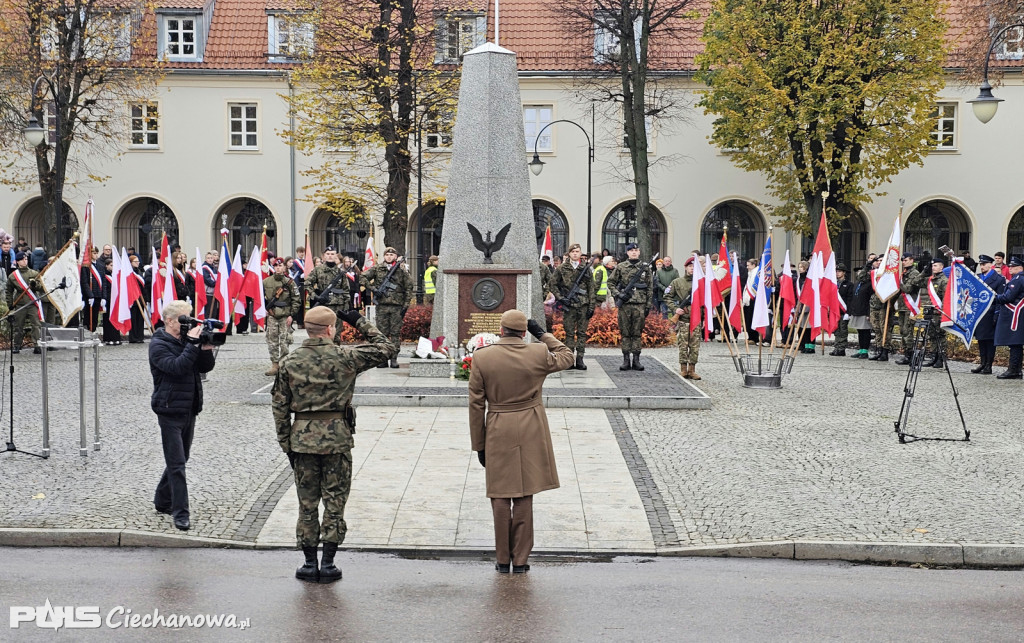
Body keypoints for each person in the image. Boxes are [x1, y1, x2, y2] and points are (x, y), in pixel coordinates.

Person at [272, 305, 397, 583]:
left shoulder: (289, 361)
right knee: (335, 500)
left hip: (302, 441)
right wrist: (359, 321)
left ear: (307, 329)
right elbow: (387, 348)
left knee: (307, 503)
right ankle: (328, 564)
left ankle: (309, 564)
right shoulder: (346, 356)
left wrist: (286, 444)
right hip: (337, 440)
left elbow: (279, 407)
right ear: (330, 329)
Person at [468, 309, 574, 574]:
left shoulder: (482, 357)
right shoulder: (537, 352)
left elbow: (476, 404)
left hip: (498, 426)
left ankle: (503, 559)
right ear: (524, 332)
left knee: (500, 494)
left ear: (501, 330)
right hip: (531, 426)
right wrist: (543, 334)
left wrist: (479, 444)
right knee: (525, 493)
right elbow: (567, 356)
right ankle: (521, 560)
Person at [149, 300, 217, 531]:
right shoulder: (158, 344)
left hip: (189, 407)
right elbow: (176, 367)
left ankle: (162, 499)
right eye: (184, 319)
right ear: (169, 321)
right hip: (169, 409)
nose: (189, 323)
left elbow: (204, 368)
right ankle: (180, 513)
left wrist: (205, 348)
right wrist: (192, 345)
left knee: (181, 458)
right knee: (177, 464)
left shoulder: (186, 340)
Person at [361, 247, 413, 368]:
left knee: (395, 333)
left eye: (391, 255)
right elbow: (362, 278)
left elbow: (409, 287)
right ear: (384, 256)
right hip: (382, 306)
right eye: (387, 255)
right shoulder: (377, 268)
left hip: (396, 306)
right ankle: (383, 359)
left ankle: (394, 358)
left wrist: (406, 305)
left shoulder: (401, 270)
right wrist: (373, 289)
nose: (389, 257)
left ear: (395, 257)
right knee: (382, 334)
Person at [607, 243, 653, 371]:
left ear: (639, 252)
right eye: (631, 250)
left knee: (637, 333)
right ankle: (626, 360)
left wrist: (648, 305)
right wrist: (618, 294)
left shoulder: (645, 268)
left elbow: (650, 287)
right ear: (627, 252)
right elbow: (610, 282)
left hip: (640, 305)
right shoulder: (621, 267)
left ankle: (636, 360)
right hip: (625, 305)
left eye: (636, 250)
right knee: (625, 333)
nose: (634, 252)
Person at [550, 243, 595, 370]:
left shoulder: (585, 268)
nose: (575, 254)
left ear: (580, 253)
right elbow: (552, 284)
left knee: (581, 333)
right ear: (569, 253)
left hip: (583, 304)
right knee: (569, 333)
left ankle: (580, 359)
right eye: (573, 252)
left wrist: (591, 306)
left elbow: (591, 288)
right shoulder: (562, 268)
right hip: (569, 305)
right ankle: (569, 360)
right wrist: (561, 298)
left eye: (577, 251)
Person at [305, 246, 350, 344]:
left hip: (338, 306)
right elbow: (307, 284)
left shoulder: (340, 272)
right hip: (323, 305)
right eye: (328, 254)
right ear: (324, 256)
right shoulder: (318, 270)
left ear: (336, 256)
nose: (330, 256)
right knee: (322, 332)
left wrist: (346, 306)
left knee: (336, 334)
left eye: (332, 254)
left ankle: (336, 351)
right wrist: (315, 296)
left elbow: (346, 290)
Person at [263, 258, 301, 376]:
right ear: (273, 267)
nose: (278, 268)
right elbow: (260, 297)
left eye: (280, 266)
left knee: (285, 341)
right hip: (272, 314)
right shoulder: (266, 282)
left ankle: (283, 364)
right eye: (276, 266)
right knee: (272, 340)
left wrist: (291, 315)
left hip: (285, 315)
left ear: (284, 267)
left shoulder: (289, 282)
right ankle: (274, 365)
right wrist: (264, 309)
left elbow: (296, 299)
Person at [666, 256, 701, 380]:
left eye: (694, 267)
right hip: (683, 319)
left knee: (695, 346)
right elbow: (667, 296)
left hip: (696, 319)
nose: (692, 269)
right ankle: (683, 369)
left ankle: (692, 370)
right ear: (685, 268)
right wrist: (675, 309)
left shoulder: (701, 283)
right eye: (690, 266)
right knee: (683, 345)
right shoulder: (677, 282)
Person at [972, 254, 1005, 374]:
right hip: (980, 313)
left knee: (989, 340)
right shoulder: (978, 277)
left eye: (984, 264)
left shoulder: (999, 279)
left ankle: (988, 365)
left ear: (991, 265)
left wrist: (997, 314)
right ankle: (982, 363)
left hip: (990, 312)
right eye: (981, 264)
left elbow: (1000, 299)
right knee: (981, 339)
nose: (982, 266)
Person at [893, 253, 928, 365]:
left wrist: (897, 283)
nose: (904, 262)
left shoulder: (914, 273)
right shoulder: (904, 273)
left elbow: (908, 289)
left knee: (908, 331)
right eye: (902, 261)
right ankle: (906, 353)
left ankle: (910, 355)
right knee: (903, 331)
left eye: (906, 260)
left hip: (910, 306)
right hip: (902, 306)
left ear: (912, 260)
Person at [5, 251, 43, 354]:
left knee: (36, 325)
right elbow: (9, 291)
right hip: (20, 303)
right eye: (22, 260)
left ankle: (37, 345)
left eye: (26, 259)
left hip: (32, 303)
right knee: (18, 326)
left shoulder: (34, 273)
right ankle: (17, 345)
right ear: (17, 262)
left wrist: (35, 285)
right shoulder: (13, 276)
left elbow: (40, 287)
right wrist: (10, 304)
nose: (25, 261)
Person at [993, 255, 1024, 379]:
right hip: (1018, 314)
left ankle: (1013, 370)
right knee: (1017, 343)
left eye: (1013, 266)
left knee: (1014, 342)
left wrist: (995, 297)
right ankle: (1017, 370)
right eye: (1010, 266)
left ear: (1020, 268)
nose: (1010, 268)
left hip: (1015, 315)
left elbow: (1008, 297)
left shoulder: (1018, 279)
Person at [847, 255, 877, 359]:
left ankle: (865, 350)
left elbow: (870, 299)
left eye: (862, 272)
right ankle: (861, 349)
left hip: (865, 311)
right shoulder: (857, 283)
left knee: (865, 331)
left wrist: (869, 313)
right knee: (860, 331)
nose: (860, 273)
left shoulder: (870, 284)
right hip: (857, 310)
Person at [922, 257, 949, 368]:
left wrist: (942, 312)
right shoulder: (930, 279)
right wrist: (925, 271)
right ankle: (933, 356)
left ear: (941, 267)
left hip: (938, 313)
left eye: (935, 265)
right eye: (932, 266)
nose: (933, 268)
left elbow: (946, 298)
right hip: (930, 312)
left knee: (940, 335)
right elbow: (917, 281)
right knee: (932, 335)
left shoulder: (944, 280)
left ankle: (940, 358)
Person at [830, 264, 853, 356]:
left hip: (843, 311)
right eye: (836, 271)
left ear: (844, 273)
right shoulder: (833, 284)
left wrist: (848, 312)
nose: (837, 273)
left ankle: (841, 348)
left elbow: (850, 299)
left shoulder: (849, 284)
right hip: (835, 311)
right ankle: (836, 347)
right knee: (836, 329)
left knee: (842, 330)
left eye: (839, 271)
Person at [290, 246, 307, 328]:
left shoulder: (304, 261)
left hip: (305, 283)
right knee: (300, 303)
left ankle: (304, 321)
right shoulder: (295, 262)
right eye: (300, 252)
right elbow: (295, 272)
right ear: (297, 253)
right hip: (299, 283)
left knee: (305, 303)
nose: (302, 254)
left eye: (303, 252)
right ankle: (300, 322)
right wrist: (301, 275)